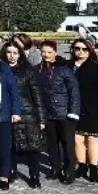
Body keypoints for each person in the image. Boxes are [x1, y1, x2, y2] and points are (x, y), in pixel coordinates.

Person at [36, 40, 81, 185]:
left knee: (67, 144)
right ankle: (55, 168)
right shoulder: (37, 70)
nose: (46, 55)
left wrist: (73, 112)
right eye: (43, 52)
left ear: (55, 52)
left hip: (64, 113)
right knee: (51, 144)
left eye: (49, 52)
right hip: (47, 112)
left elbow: (74, 91)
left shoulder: (64, 69)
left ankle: (69, 171)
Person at [2, 43, 45, 187]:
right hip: (7, 113)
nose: (11, 55)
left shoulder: (27, 71)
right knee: (10, 145)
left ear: (20, 54)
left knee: (32, 146)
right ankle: (11, 172)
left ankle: (34, 175)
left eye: (15, 52)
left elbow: (36, 95)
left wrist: (41, 118)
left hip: (27, 113)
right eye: (9, 52)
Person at [70, 38, 98, 183]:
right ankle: (81, 165)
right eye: (77, 48)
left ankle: (93, 167)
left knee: (92, 138)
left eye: (84, 49)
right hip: (73, 108)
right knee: (77, 138)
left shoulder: (95, 67)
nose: (80, 52)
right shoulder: (68, 66)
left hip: (92, 107)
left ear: (89, 50)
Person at [0, 41, 22, 190]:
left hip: (3, 113)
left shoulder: (4, 67)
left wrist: (16, 111)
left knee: (4, 146)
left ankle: (4, 175)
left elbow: (13, 91)